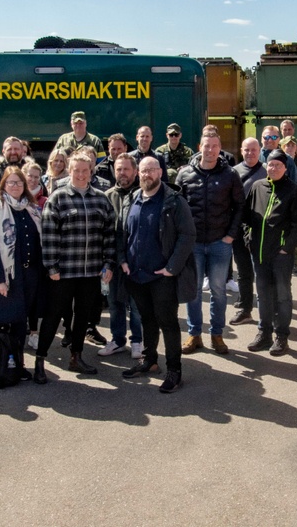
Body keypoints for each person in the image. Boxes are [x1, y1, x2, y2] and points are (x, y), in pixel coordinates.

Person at [34, 153, 116, 382]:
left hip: (90, 272)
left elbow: (109, 235)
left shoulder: (101, 199)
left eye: (85, 170)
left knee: (82, 316)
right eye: (76, 170)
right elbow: (48, 236)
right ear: (69, 171)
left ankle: (76, 357)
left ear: (91, 171)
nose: (81, 174)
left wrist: (109, 263)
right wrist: (51, 267)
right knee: (53, 315)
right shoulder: (58, 198)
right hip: (63, 272)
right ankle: (40, 359)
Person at [118, 157, 197, 393]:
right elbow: (122, 232)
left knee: (168, 323)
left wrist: (171, 267)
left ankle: (174, 371)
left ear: (160, 172)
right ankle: (150, 361)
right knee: (146, 320)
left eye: (151, 170)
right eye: (143, 171)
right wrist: (122, 260)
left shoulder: (174, 201)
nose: (146, 175)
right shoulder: (131, 199)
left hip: (162, 276)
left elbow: (187, 236)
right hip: (136, 275)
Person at [175, 129, 244, 354]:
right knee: (193, 291)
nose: (211, 150)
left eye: (215, 146)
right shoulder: (185, 174)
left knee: (218, 291)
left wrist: (230, 235)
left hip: (219, 243)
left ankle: (217, 335)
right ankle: (194, 335)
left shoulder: (230, 174)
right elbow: (176, 208)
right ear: (199, 147)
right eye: (207, 146)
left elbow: (239, 206)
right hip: (193, 244)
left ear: (220, 147)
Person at [0, 166, 45, 382]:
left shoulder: (32, 209)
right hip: (6, 277)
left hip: (29, 277)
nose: (15, 186)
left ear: (25, 186)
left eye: (19, 182)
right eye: (11, 182)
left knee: (19, 323)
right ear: (3, 185)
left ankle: (16, 364)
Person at [243, 150, 297, 356]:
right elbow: (246, 217)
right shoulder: (257, 187)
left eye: (278, 165)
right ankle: (264, 333)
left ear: (286, 168)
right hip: (259, 253)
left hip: (281, 255)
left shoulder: (294, 191)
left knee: (282, 296)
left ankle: (281, 335)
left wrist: (287, 248)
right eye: (270, 165)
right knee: (263, 295)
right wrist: (248, 237)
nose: (273, 168)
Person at [100, 154, 144, 359]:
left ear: (135, 172)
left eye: (126, 169)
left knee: (135, 304)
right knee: (115, 303)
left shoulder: (143, 195)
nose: (122, 173)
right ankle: (117, 340)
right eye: (119, 169)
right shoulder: (107, 196)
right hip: (112, 260)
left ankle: (138, 341)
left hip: (136, 261)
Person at [229, 137, 267, 325]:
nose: (250, 153)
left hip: (261, 230)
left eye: (254, 150)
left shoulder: (268, 170)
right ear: (241, 151)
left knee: (261, 271)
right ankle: (245, 308)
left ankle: (266, 311)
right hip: (239, 227)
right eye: (247, 150)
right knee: (243, 271)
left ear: (259, 150)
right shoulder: (234, 172)